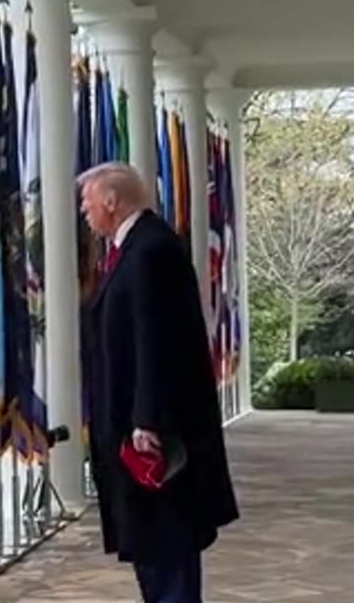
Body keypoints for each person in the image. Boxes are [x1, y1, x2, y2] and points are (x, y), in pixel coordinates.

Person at [78, 162, 238, 603]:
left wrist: (147, 421)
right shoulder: (137, 248)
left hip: (152, 436)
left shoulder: (151, 250)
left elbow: (156, 341)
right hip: (139, 425)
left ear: (112, 200)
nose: (84, 211)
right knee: (152, 545)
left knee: (166, 544)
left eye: (87, 201)